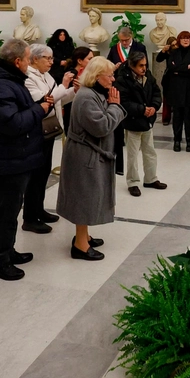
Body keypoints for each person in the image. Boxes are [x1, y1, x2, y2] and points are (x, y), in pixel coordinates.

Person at [0, 39, 51, 280]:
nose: (30, 64)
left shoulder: (8, 80)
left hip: (16, 156)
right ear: (17, 61)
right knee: (6, 211)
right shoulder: (0, 86)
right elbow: (12, 123)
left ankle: (8, 251)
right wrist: (40, 109)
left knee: (11, 207)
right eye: (28, 60)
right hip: (9, 158)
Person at [56, 56, 125, 261]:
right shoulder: (86, 97)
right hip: (85, 156)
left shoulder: (93, 93)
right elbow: (101, 127)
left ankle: (83, 235)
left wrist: (112, 105)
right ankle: (80, 245)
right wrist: (115, 106)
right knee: (84, 198)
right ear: (96, 76)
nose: (113, 79)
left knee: (87, 196)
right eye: (110, 75)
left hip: (90, 153)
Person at [22, 43, 75, 232]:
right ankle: (29, 217)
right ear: (35, 59)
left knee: (43, 173)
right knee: (35, 175)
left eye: (52, 58)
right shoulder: (28, 76)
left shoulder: (46, 75)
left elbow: (58, 98)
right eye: (48, 58)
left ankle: (39, 209)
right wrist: (64, 86)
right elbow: (43, 100)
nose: (51, 62)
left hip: (50, 129)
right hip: (36, 130)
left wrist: (73, 91)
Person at [115, 52, 166, 196]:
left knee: (150, 152)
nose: (144, 68)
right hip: (133, 121)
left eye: (145, 65)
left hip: (147, 120)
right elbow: (124, 102)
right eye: (141, 66)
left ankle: (150, 179)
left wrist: (154, 107)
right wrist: (142, 109)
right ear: (132, 65)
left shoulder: (148, 75)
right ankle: (133, 182)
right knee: (132, 155)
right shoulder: (122, 79)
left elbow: (156, 92)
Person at [106, 26, 146, 174]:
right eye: (121, 40)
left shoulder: (139, 46)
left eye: (126, 40)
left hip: (134, 87)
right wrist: (113, 67)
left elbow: (144, 66)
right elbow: (108, 65)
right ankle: (119, 165)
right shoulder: (114, 48)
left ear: (131, 37)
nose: (123, 43)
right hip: (118, 85)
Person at [159, 32, 190, 151]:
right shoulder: (174, 53)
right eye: (183, 38)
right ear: (179, 40)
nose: (185, 40)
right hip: (176, 89)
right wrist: (186, 68)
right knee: (177, 117)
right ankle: (177, 141)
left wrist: (179, 70)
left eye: (187, 38)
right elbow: (171, 67)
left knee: (189, 118)